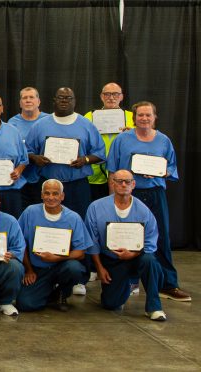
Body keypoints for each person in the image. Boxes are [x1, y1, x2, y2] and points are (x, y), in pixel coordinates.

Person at [106, 102, 189, 301]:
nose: (144, 118)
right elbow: (112, 170)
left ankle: (167, 284)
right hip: (128, 195)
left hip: (154, 193)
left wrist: (161, 172)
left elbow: (172, 168)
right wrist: (112, 199)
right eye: (140, 115)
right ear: (134, 118)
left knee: (161, 238)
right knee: (125, 236)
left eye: (148, 115)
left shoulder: (163, 141)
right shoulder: (122, 139)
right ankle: (129, 279)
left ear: (155, 117)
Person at [86, 170, 167, 320]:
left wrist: (134, 253)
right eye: (119, 181)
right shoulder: (96, 207)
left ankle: (154, 307)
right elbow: (92, 242)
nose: (123, 184)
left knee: (150, 261)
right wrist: (99, 268)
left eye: (127, 181)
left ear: (133, 184)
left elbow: (150, 242)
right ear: (112, 183)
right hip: (111, 260)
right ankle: (127, 285)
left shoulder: (143, 210)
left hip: (137, 258)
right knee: (110, 304)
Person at [25, 87, 104, 219]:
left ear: (75, 101)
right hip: (48, 186)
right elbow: (26, 152)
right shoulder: (40, 125)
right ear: (54, 100)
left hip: (77, 186)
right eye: (61, 97)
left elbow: (100, 153)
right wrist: (34, 158)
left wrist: (85, 160)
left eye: (68, 98)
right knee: (47, 223)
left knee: (79, 221)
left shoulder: (87, 125)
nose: (64, 101)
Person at [15, 179, 93, 312]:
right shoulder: (30, 212)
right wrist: (28, 270)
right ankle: (47, 291)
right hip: (37, 268)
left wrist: (56, 258)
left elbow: (80, 252)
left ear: (62, 196)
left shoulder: (73, 218)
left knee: (74, 268)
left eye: (55, 194)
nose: (51, 197)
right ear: (41, 195)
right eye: (47, 193)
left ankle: (62, 293)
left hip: (61, 266)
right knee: (26, 304)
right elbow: (20, 244)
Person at [84, 83, 135, 200]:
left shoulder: (132, 117)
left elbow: (141, 140)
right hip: (95, 174)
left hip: (123, 173)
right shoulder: (90, 116)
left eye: (115, 94)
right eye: (107, 94)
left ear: (121, 97)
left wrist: (132, 133)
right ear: (101, 96)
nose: (111, 98)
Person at [8, 87, 51, 204]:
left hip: (45, 177)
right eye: (24, 98)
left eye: (31, 97)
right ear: (20, 103)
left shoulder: (50, 120)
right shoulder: (12, 123)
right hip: (19, 179)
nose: (28, 100)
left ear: (39, 101)